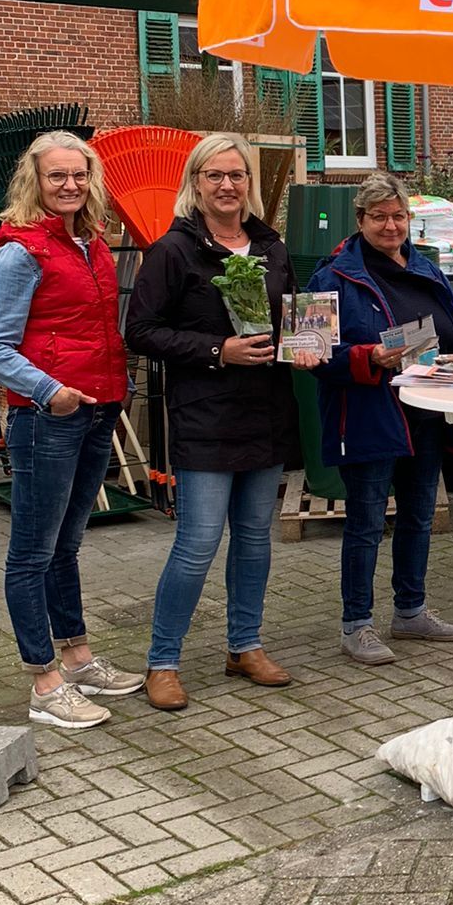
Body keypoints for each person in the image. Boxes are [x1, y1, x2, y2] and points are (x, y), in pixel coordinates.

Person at [127, 132, 315, 710]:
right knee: (198, 543)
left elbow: (293, 316)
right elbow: (140, 331)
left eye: (237, 175)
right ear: (196, 183)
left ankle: (244, 646)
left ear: (248, 184)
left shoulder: (272, 247)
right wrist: (218, 350)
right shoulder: (173, 251)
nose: (227, 185)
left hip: (265, 414)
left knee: (255, 539)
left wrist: (307, 344)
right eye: (215, 175)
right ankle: (163, 661)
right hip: (205, 417)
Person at [0, 132, 144, 729]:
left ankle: (76, 658)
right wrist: (53, 391)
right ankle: (44, 684)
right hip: (48, 417)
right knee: (31, 553)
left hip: (98, 408)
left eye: (79, 175)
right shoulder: (20, 251)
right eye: (57, 176)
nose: (70, 185)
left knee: (65, 546)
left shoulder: (90, 242)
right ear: (35, 181)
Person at [307, 173, 453, 665]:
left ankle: (410, 611)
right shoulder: (330, 277)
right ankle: (356, 625)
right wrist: (367, 357)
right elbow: (310, 355)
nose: (390, 226)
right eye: (378, 217)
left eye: (398, 216)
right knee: (366, 523)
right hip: (368, 415)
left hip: (425, 412)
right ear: (360, 220)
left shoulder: (427, 269)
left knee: (419, 516)